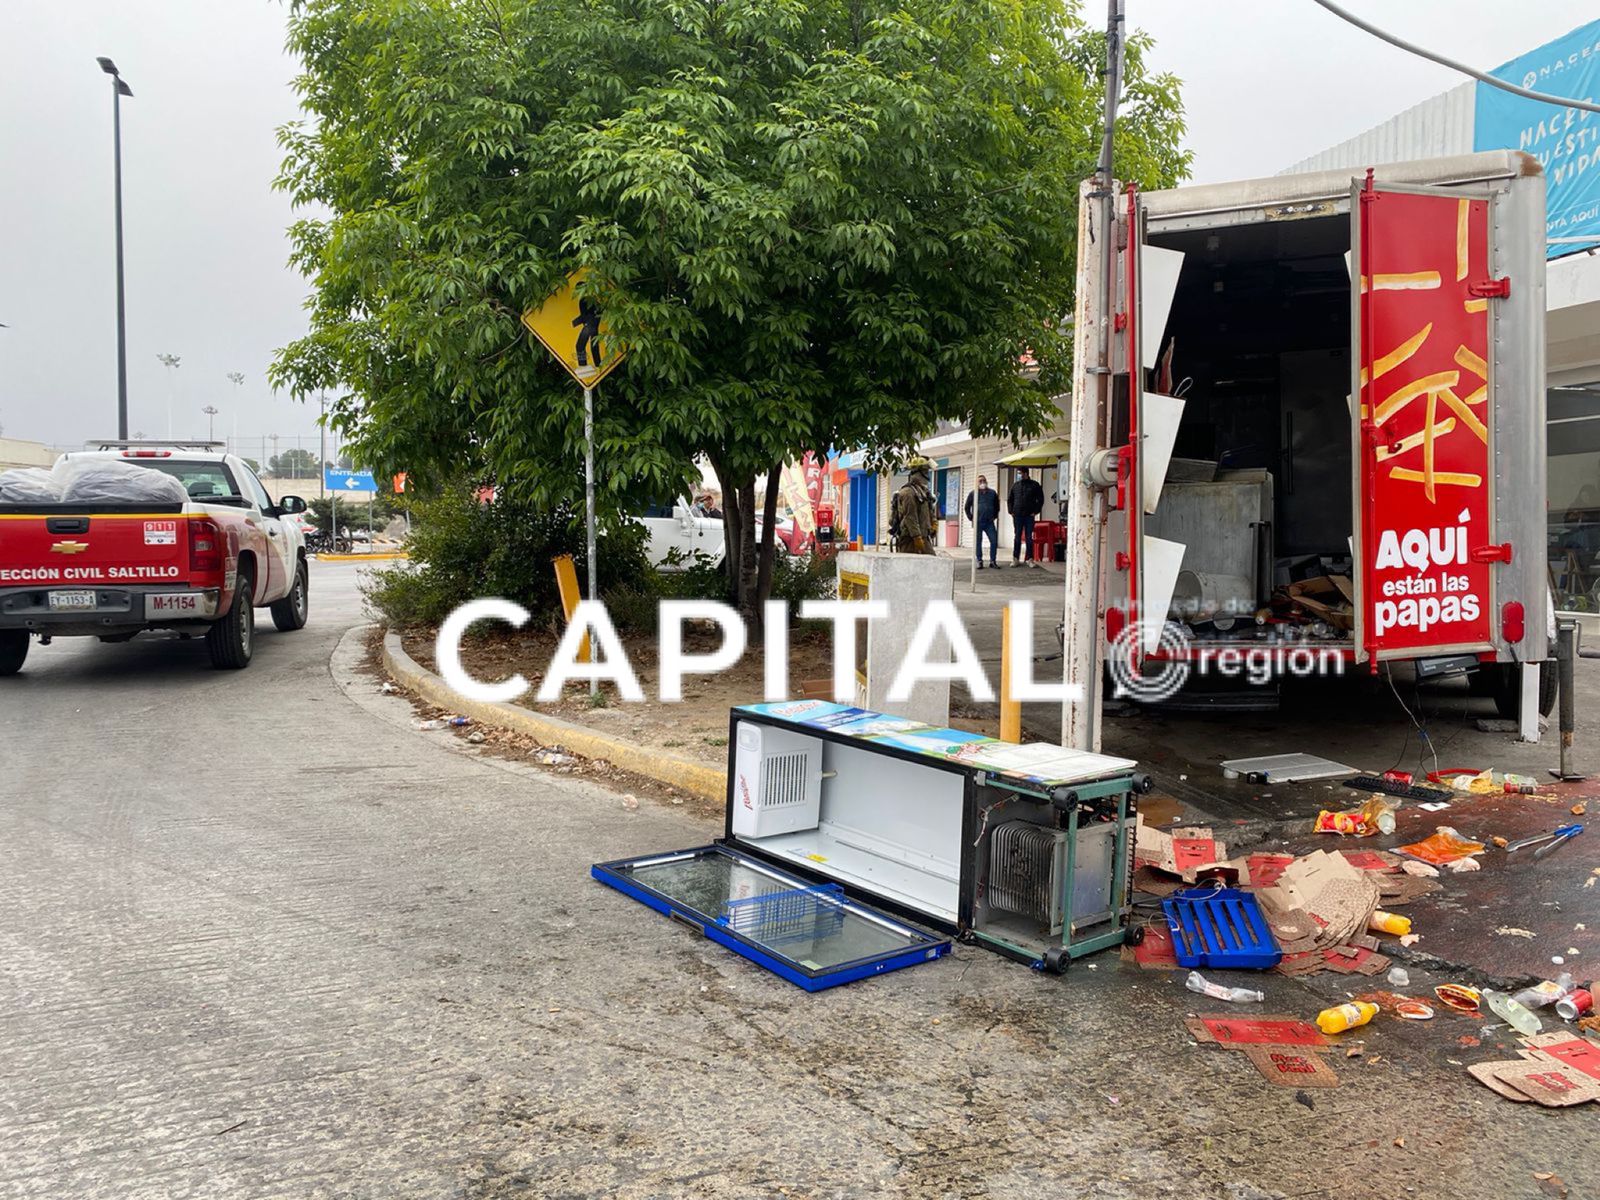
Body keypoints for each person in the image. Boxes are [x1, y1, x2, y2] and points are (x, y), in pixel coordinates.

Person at [889, 457, 938, 554]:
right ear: (919, 473)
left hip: (924, 537)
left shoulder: (923, 492)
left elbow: (929, 510)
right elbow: (910, 517)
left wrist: (933, 523)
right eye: (925, 471)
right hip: (910, 540)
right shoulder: (908, 493)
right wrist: (917, 537)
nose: (927, 474)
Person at [1008, 467, 1045, 567]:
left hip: (1029, 515)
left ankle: (1030, 559)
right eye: (1019, 473)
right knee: (1017, 537)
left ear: (1026, 473)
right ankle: (1015, 558)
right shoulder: (1015, 486)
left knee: (1029, 537)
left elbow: (1040, 499)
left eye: (1021, 473)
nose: (1020, 475)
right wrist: (1011, 511)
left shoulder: (1034, 485)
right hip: (1017, 515)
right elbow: (1010, 499)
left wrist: (1036, 511)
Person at [965, 474, 999, 568]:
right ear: (977, 483)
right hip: (978, 522)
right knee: (978, 542)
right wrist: (971, 518)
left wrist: (994, 516)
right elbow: (967, 507)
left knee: (994, 540)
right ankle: (979, 560)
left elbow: (997, 506)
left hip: (989, 522)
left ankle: (993, 561)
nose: (982, 483)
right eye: (980, 481)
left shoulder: (992, 493)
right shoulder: (973, 493)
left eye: (984, 480)